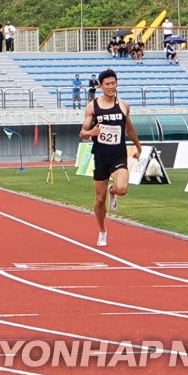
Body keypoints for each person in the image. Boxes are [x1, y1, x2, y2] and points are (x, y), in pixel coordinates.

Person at [78, 68, 142, 247]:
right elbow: (82, 133)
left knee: (122, 189)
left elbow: (129, 129)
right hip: (101, 157)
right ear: (100, 86)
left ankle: (113, 192)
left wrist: (138, 146)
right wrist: (91, 132)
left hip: (118, 155)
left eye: (113, 83)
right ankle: (102, 230)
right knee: (99, 199)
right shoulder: (93, 107)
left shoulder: (123, 105)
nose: (111, 87)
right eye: (107, 84)